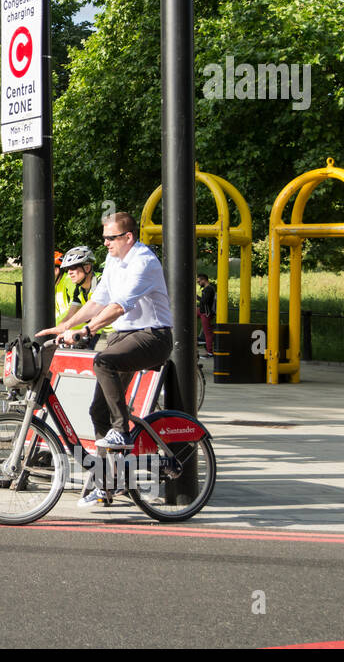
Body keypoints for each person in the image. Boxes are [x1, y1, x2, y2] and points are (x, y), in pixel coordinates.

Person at [36, 212, 172, 506]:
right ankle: (107, 483)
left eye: (111, 237)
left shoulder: (143, 261)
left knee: (103, 361)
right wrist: (65, 327)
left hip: (153, 335)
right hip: (126, 336)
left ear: (128, 237)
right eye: (104, 237)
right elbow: (98, 300)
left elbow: (120, 306)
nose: (105, 242)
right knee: (97, 411)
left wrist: (86, 330)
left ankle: (121, 432)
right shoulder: (113, 260)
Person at [196, 273, 217, 355]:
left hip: (206, 313)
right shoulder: (208, 289)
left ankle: (209, 352)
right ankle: (198, 338)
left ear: (204, 280)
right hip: (202, 311)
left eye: (199, 282)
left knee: (207, 333)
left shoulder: (209, 289)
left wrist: (196, 297)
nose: (198, 283)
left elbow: (205, 302)